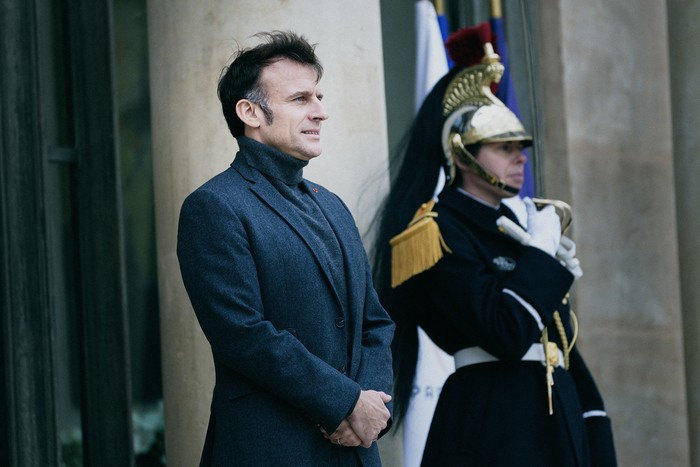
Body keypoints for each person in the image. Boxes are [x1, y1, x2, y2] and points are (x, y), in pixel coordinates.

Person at [372, 25, 617, 466]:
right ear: (462, 153)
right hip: (495, 424)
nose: (520, 156)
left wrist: (595, 434)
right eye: (503, 146)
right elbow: (505, 333)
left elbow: (561, 349)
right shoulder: (436, 231)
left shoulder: (514, 231)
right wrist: (540, 256)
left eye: (520, 146)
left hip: (555, 424)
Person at [177, 31, 395, 466]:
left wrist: (370, 409)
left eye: (318, 96)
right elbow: (244, 335)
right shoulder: (214, 206)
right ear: (251, 112)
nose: (321, 112)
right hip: (271, 450)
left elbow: (375, 323)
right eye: (301, 99)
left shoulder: (332, 204)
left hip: (355, 451)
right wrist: (346, 403)